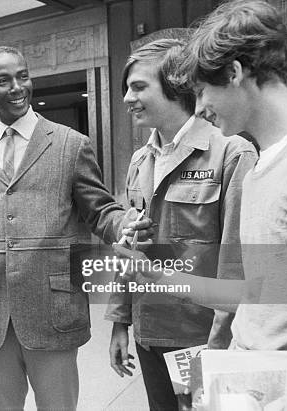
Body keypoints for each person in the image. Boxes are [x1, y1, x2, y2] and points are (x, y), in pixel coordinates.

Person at [114, 0, 287, 351]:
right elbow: (248, 295)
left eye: (200, 92)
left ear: (234, 73)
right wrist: (154, 275)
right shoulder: (260, 167)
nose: (199, 108)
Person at [0, 46, 124, 410]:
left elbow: (101, 210)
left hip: (52, 307)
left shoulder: (70, 144)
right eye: (3, 81)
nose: (18, 87)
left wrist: (124, 225)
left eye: (23, 76)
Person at [103, 39, 258, 411]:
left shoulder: (231, 153)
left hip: (201, 339)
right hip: (149, 334)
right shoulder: (141, 160)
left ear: (175, 85)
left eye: (138, 86)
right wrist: (120, 322)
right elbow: (132, 248)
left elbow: (237, 264)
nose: (126, 98)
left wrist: (221, 351)